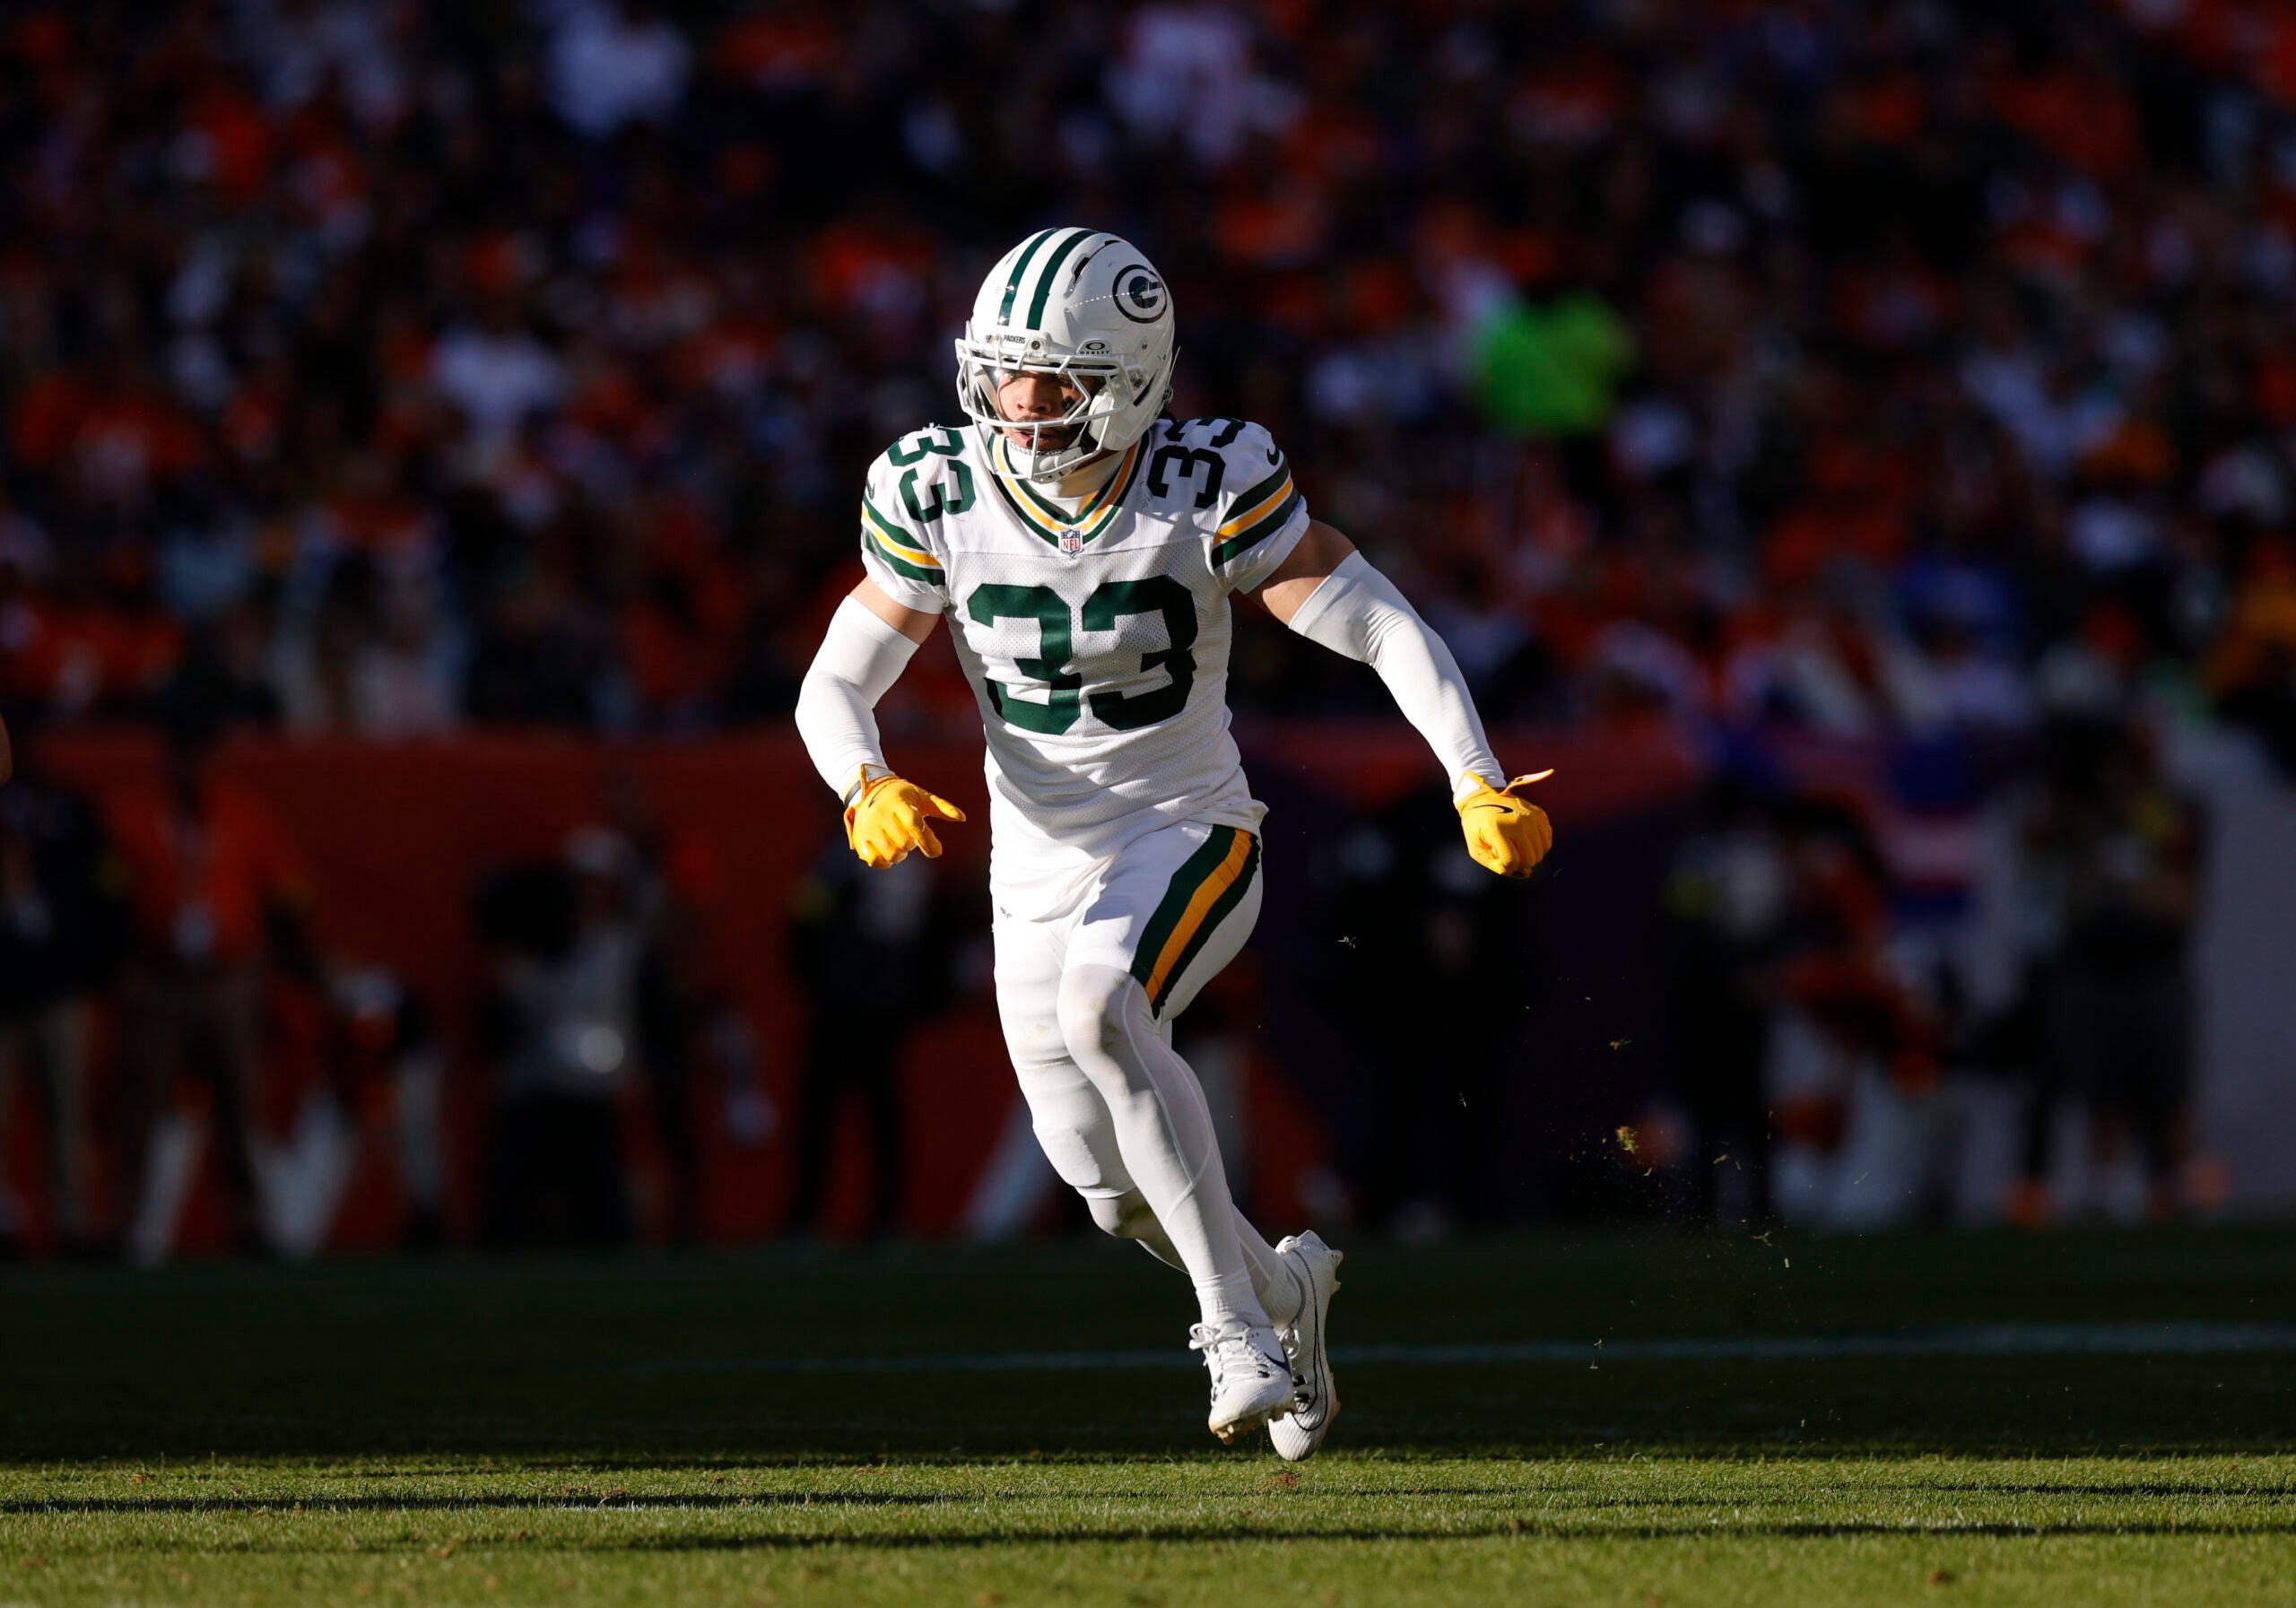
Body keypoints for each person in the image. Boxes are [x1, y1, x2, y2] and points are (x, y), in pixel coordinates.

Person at [795, 230, 1552, 1457]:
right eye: (1001, 371)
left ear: (1132, 380)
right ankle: (1287, 1291)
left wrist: (1475, 776)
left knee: (1106, 1012)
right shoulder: (936, 487)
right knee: (1106, 1189)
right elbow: (835, 677)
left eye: (1051, 379)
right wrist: (861, 779)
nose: (1016, 402)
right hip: (1034, 861)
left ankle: (1233, 1330)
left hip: (1188, 823)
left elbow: (1377, 623)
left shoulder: (1206, 479)